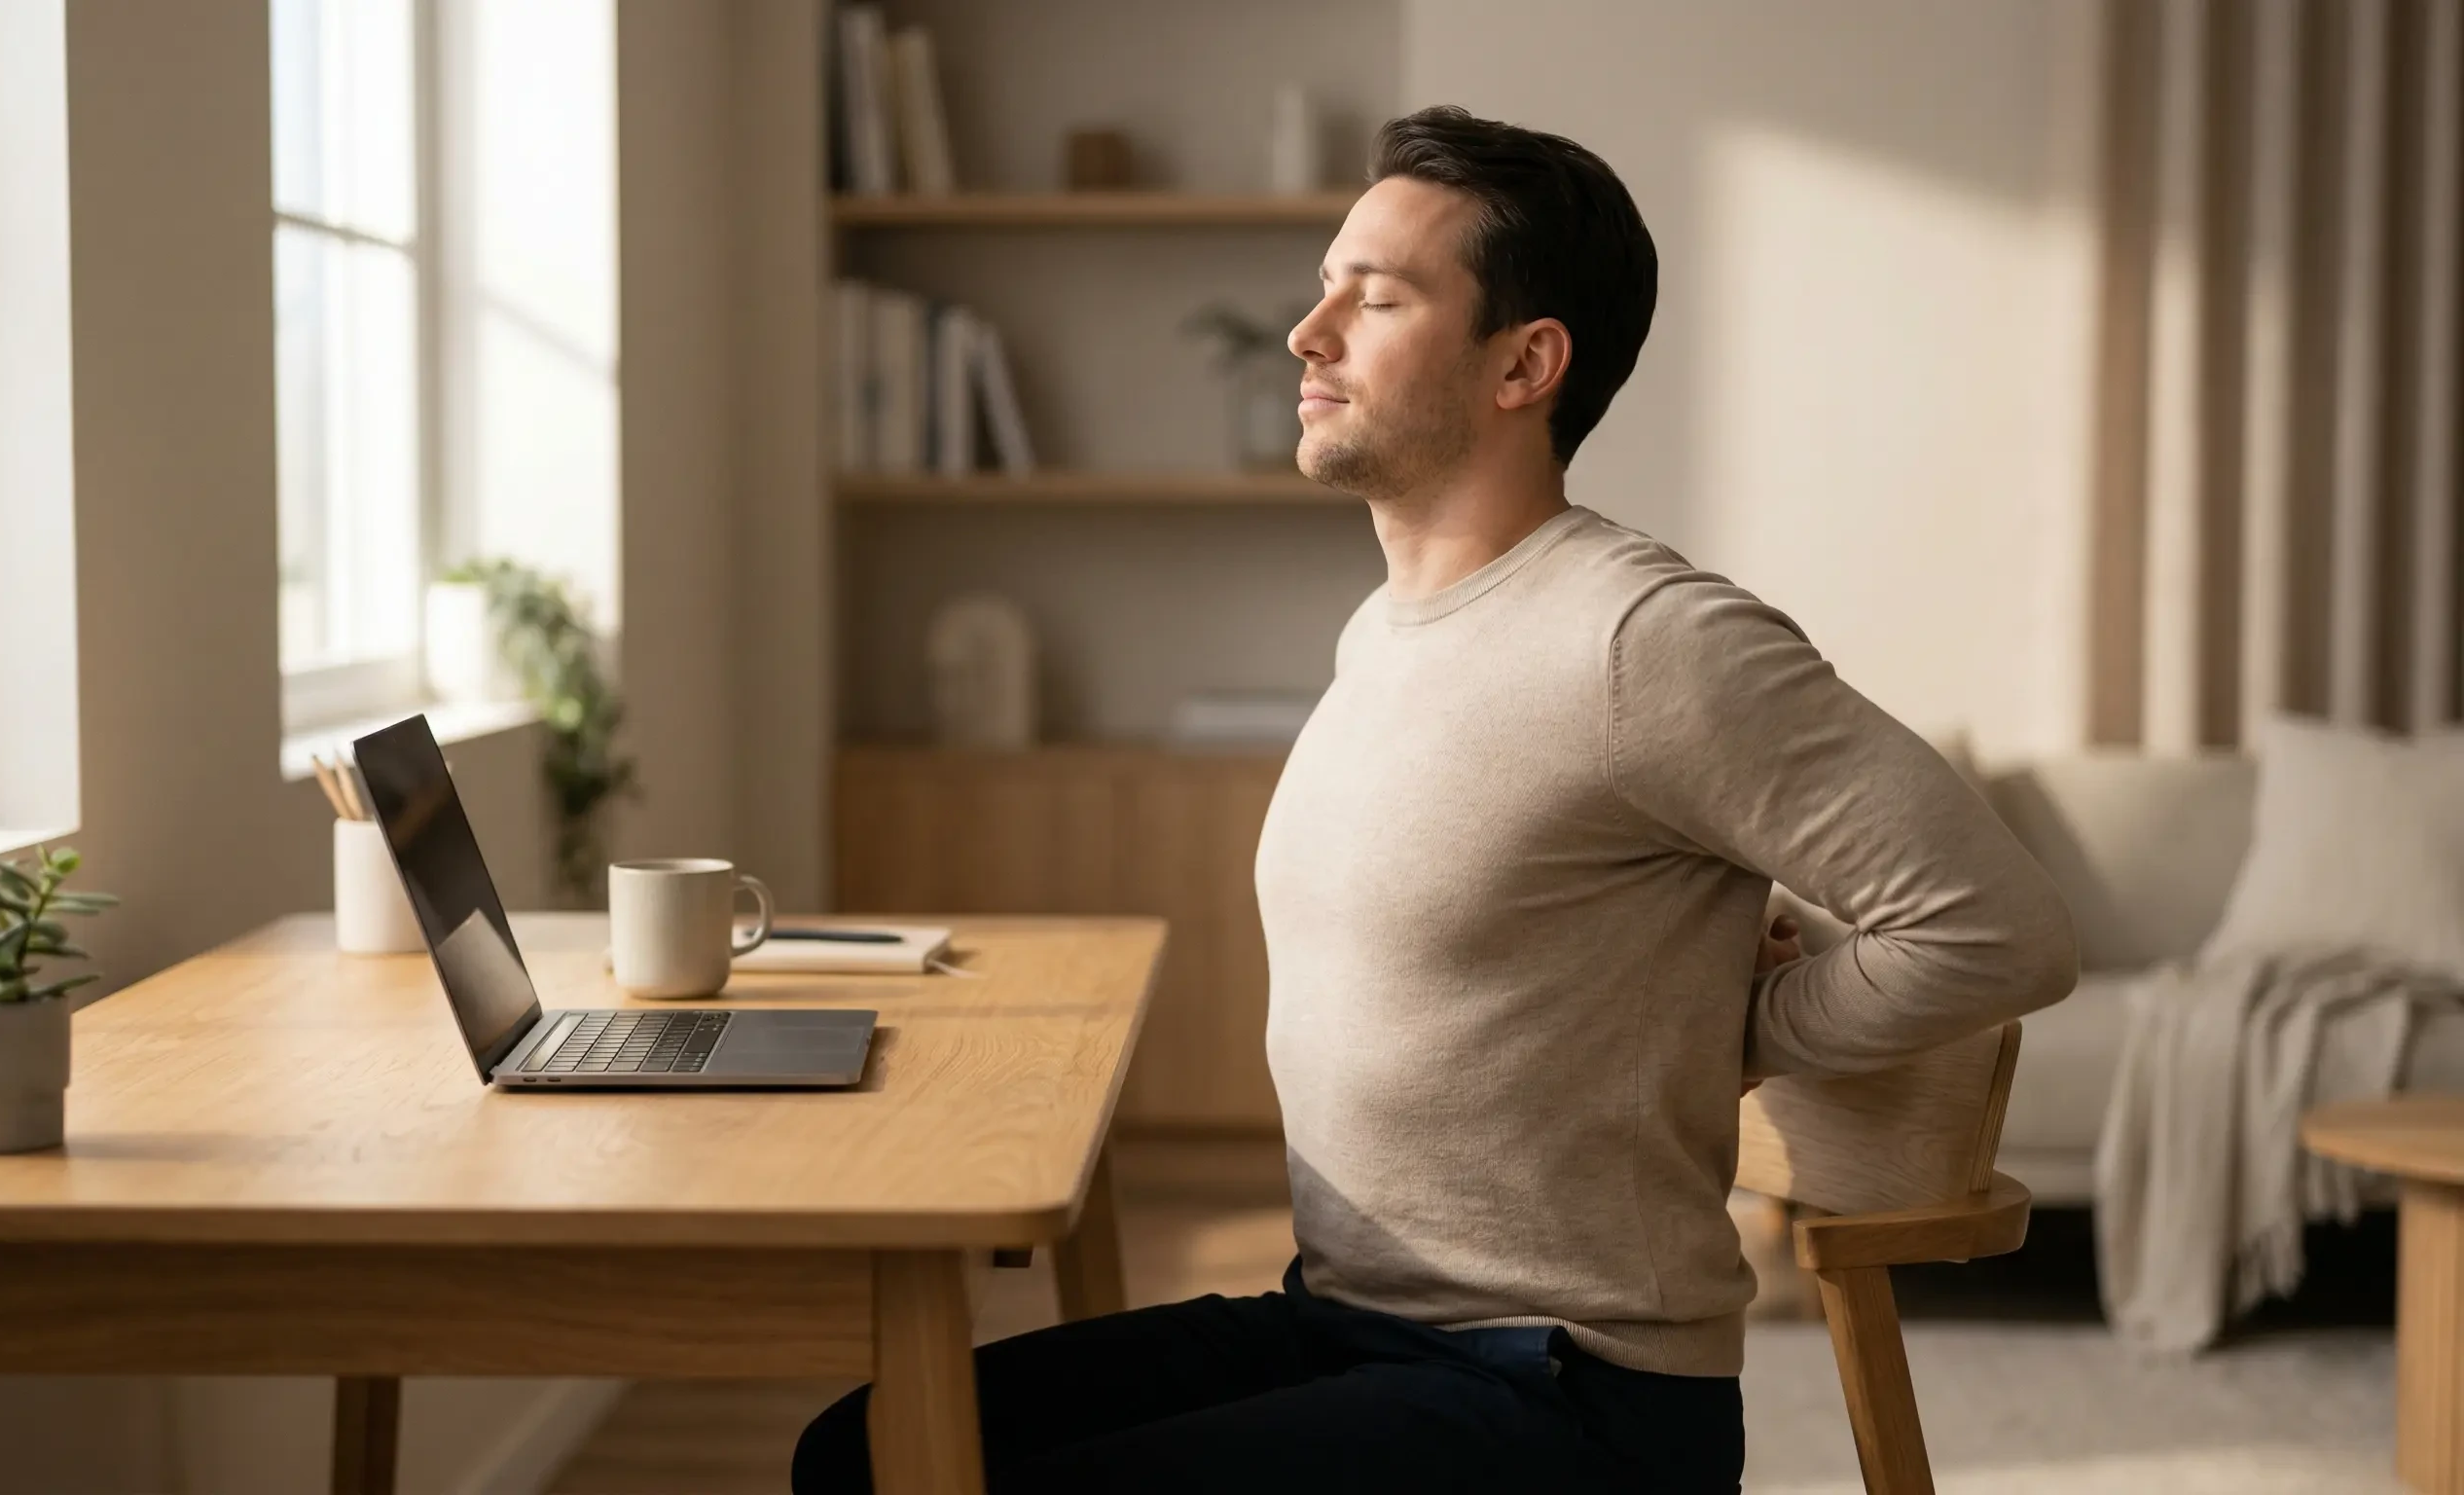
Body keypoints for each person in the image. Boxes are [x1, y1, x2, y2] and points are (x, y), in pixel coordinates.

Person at [794, 104, 2078, 1494]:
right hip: (1346, 1319)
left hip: (1570, 1391)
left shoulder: (1649, 641)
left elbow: (1997, 928)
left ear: (1526, 363)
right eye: (1326, 282)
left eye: (1379, 296)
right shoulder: (1390, 629)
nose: (1309, 331)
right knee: (862, 1454)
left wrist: (1745, 1021)